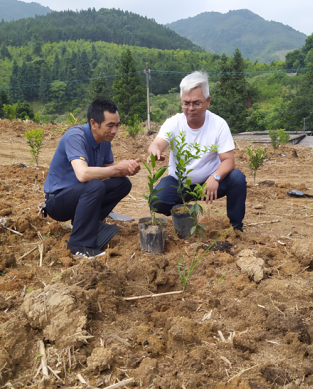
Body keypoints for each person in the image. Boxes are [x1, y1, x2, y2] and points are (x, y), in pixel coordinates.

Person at [147, 71, 246, 231]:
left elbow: (228, 160)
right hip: (179, 183)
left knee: (237, 179)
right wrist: (155, 151)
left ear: (208, 101)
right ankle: (182, 210)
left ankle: (236, 227)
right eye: (186, 103)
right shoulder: (173, 123)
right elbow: (156, 144)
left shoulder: (219, 125)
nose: (190, 108)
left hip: (210, 183)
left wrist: (215, 177)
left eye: (196, 103)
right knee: (157, 201)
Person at [43, 99, 140, 258]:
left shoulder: (104, 140)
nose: (115, 130)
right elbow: (83, 174)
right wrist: (117, 169)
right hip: (58, 201)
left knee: (122, 184)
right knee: (95, 185)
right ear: (94, 123)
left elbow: (107, 170)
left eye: (117, 125)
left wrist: (126, 169)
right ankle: (79, 245)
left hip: (80, 196)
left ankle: (88, 224)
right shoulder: (76, 136)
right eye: (110, 125)